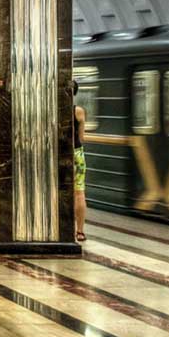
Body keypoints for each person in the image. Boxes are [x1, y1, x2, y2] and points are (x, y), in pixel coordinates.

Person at [73, 80, 87, 242]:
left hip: (61, 155)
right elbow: (82, 137)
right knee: (79, 193)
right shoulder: (79, 112)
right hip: (77, 154)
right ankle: (80, 231)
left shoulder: (57, 111)